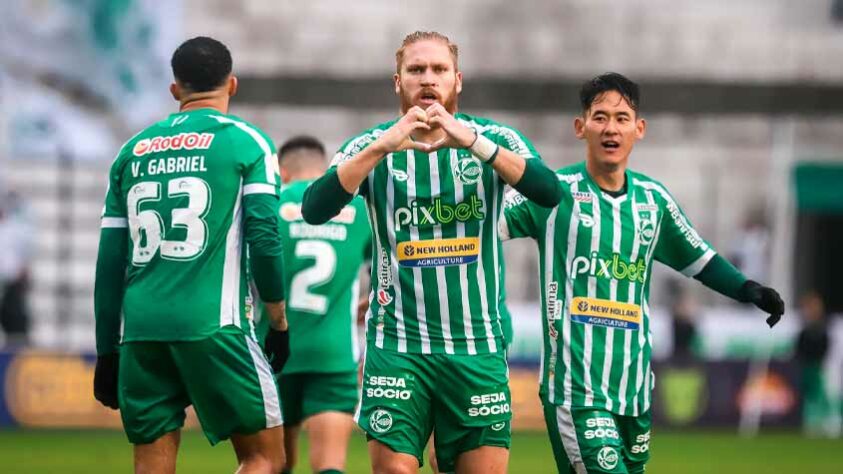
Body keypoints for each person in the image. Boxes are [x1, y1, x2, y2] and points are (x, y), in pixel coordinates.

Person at [302, 31, 563, 474]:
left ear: (457, 80)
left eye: (439, 70)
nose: (428, 79)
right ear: (397, 81)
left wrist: (474, 143)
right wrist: (382, 146)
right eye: (416, 70)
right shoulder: (372, 145)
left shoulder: (493, 138)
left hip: (477, 347)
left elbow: (549, 192)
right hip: (398, 347)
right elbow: (314, 209)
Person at [500, 72, 785, 474]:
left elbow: (700, 259)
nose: (610, 128)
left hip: (634, 392)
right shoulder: (552, 192)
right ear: (581, 127)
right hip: (575, 390)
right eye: (600, 117)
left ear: (639, 129)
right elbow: (483, 229)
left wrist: (748, 288)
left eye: (621, 118)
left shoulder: (654, 201)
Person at [93, 36, 289, 474]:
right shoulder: (248, 143)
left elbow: (108, 264)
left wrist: (107, 351)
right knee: (264, 457)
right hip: (214, 326)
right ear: (232, 85)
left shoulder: (131, 152)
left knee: (151, 465)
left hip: (141, 333)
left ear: (174, 89)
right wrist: (277, 319)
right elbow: (264, 236)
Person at [256, 135, 372, 474]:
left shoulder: (272, 204)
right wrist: (369, 302)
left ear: (283, 171)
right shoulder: (356, 209)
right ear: (323, 169)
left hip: (274, 352)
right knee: (329, 464)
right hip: (333, 353)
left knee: (274, 463)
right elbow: (388, 264)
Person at [794, 291, 832, 436]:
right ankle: (810, 423)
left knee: (821, 394)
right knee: (808, 395)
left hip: (820, 365)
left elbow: (826, 346)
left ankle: (825, 421)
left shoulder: (823, 328)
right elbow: (799, 347)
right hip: (807, 366)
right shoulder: (805, 330)